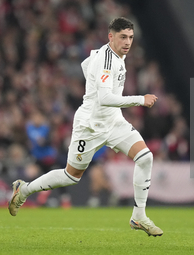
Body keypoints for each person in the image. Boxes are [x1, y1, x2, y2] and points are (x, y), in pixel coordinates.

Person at [8, 17, 163, 237]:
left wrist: (92, 81)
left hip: (113, 122)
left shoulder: (112, 55)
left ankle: (139, 216)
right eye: (123, 37)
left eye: (130, 37)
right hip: (90, 126)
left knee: (145, 157)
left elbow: (86, 63)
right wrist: (140, 99)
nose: (128, 42)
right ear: (111, 37)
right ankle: (24, 190)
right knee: (71, 177)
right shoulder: (107, 60)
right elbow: (104, 97)